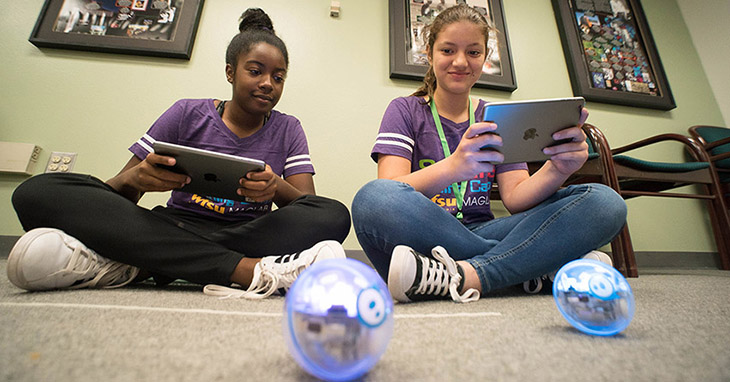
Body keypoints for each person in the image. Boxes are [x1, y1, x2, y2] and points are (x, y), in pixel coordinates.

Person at [8, 8, 351, 299]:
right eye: (255, 71)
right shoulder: (187, 113)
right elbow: (120, 195)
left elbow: (309, 206)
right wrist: (134, 177)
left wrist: (275, 186)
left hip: (250, 232)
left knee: (335, 215)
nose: (267, 83)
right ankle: (248, 271)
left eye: (278, 77)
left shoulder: (288, 128)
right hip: (173, 223)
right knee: (37, 193)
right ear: (230, 72)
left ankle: (136, 262)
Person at [351, 4, 627, 303]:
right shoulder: (404, 110)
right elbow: (392, 188)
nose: (460, 61)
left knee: (605, 203)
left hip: (487, 227)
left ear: (484, 57)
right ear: (429, 54)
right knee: (372, 199)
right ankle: (532, 266)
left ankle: (465, 274)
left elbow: (516, 198)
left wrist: (558, 168)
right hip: (424, 231)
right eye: (447, 50)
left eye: (473, 52)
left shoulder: (496, 117)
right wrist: (454, 167)